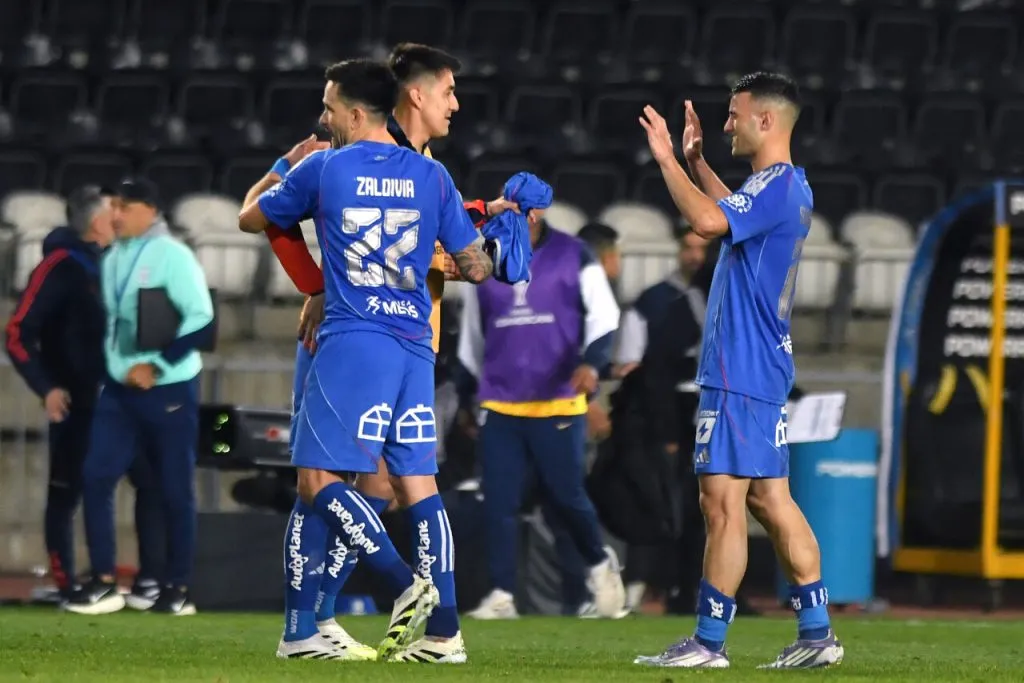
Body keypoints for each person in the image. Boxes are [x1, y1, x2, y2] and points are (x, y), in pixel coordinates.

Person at [244, 45, 512, 663]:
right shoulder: (432, 177)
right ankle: (444, 633)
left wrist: (285, 167)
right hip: (416, 345)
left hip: (354, 340)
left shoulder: (325, 168)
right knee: (417, 484)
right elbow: (476, 267)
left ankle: (398, 588)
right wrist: (498, 245)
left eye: (329, 107)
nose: (324, 118)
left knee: (316, 479)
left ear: (356, 112)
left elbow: (253, 219)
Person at [632, 73, 843, 669]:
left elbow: (707, 223)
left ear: (765, 120)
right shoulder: (781, 186)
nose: (726, 125)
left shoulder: (776, 186)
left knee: (721, 503)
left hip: (741, 369)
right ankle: (817, 634)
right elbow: (729, 214)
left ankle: (708, 643)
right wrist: (698, 164)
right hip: (760, 367)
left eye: (733, 115)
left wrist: (667, 159)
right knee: (770, 500)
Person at [459, 207, 627, 621]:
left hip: (558, 399)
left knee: (566, 497)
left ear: (535, 215)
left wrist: (592, 363)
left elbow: (605, 315)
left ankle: (598, 562)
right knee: (498, 501)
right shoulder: (484, 258)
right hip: (501, 401)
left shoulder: (574, 253)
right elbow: (473, 335)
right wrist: (467, 395)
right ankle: (502, 594)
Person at [3, 186, 164, 608]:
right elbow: (17, 332)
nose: (120, 216)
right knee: (68, 492)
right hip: (78, 403)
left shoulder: (120, 263)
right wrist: (46, 387)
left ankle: (149, 581)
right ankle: (71, 584)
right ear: (97, 221)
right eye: (114, 210)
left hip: (124, 399)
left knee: (149, 481)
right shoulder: (60, 266)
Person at [65, 179, 214, 617]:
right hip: (119, 388)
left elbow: (202, 319)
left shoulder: (173, 255)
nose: (114, 215)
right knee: (96, 476)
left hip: (169, 388)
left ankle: (178, 587)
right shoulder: (113, 257)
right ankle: (103, 581)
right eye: (112, 206)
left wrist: (158, 365)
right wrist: (114, 368)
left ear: (149, 209)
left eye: (123, 206)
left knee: (173, 487)